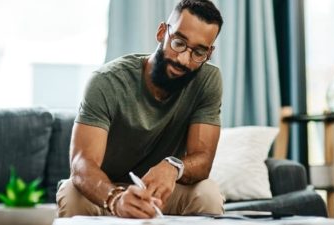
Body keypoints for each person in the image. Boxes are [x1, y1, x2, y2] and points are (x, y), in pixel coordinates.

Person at [57, 0, 224, 218]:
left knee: (207, 193)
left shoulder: (207, 81)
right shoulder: (106, 81)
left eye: (198, 52)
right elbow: (81, 164)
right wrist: (115, 199)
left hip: (161, 193)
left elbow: (203, 160)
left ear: (208, 54)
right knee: (72, 192)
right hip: (106, 190)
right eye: (179, 43)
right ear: (162, 32)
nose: (184, 59)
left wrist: (173, 166)